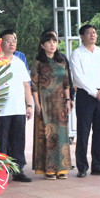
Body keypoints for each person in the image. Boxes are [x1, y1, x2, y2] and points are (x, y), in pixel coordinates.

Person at [70, 24, 100, 178]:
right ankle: (82, 166)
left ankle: (98, 165)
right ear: (82, 36)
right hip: (86, 95)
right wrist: (95, 92)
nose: (92, 35)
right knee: (83, 131)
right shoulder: (77, 54)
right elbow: (78, 77)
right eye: (89, 33)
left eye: (94, 32)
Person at [0, 29, 34, 183]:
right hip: (1, 109)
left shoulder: (19, 61)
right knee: (0, 141)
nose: (12, 44)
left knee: (18, 140)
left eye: (14, 41)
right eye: (8, 41)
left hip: (18, 108)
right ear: (0, 43)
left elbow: (26, 85)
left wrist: (29, 105)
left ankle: (18, 169)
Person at [31, 31, 73, 179]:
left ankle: (62, 167)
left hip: (60, 102)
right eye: (48, 42)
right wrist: (36, 104)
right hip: (45, 102)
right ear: (42, 45)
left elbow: (66, 82)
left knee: (61, 135)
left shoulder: (61, 61)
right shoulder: (38, 63)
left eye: (54, 42)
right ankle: (48, 168)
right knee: (48, 135)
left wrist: (68, 101)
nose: (52, 44)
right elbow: (34, 85)